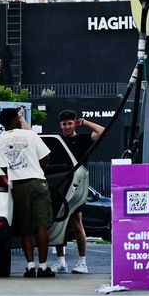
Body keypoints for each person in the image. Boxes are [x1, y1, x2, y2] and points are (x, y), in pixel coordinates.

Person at [0, 106, 53, 278]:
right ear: (13, 120)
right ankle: (43, 267)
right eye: (18, 118)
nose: (20, 120)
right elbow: (45, 157)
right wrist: (35, 169)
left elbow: (2, 168)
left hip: (17, 186)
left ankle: (30, 266)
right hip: (37, 183)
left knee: (25, 228)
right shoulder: (31, 135)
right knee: (42, 226)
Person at [52, 110, 103, 274]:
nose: (67, 127)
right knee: (59, 222)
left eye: (70, 123)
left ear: (75, 123)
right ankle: (61, 261)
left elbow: (101, 131)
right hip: (60, 184)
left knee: (77, 221)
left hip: (76, 184)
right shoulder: (57, 141)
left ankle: (82, 262)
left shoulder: (83, 139)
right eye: (64, 124)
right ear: (60, 125)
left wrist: (85, 122)